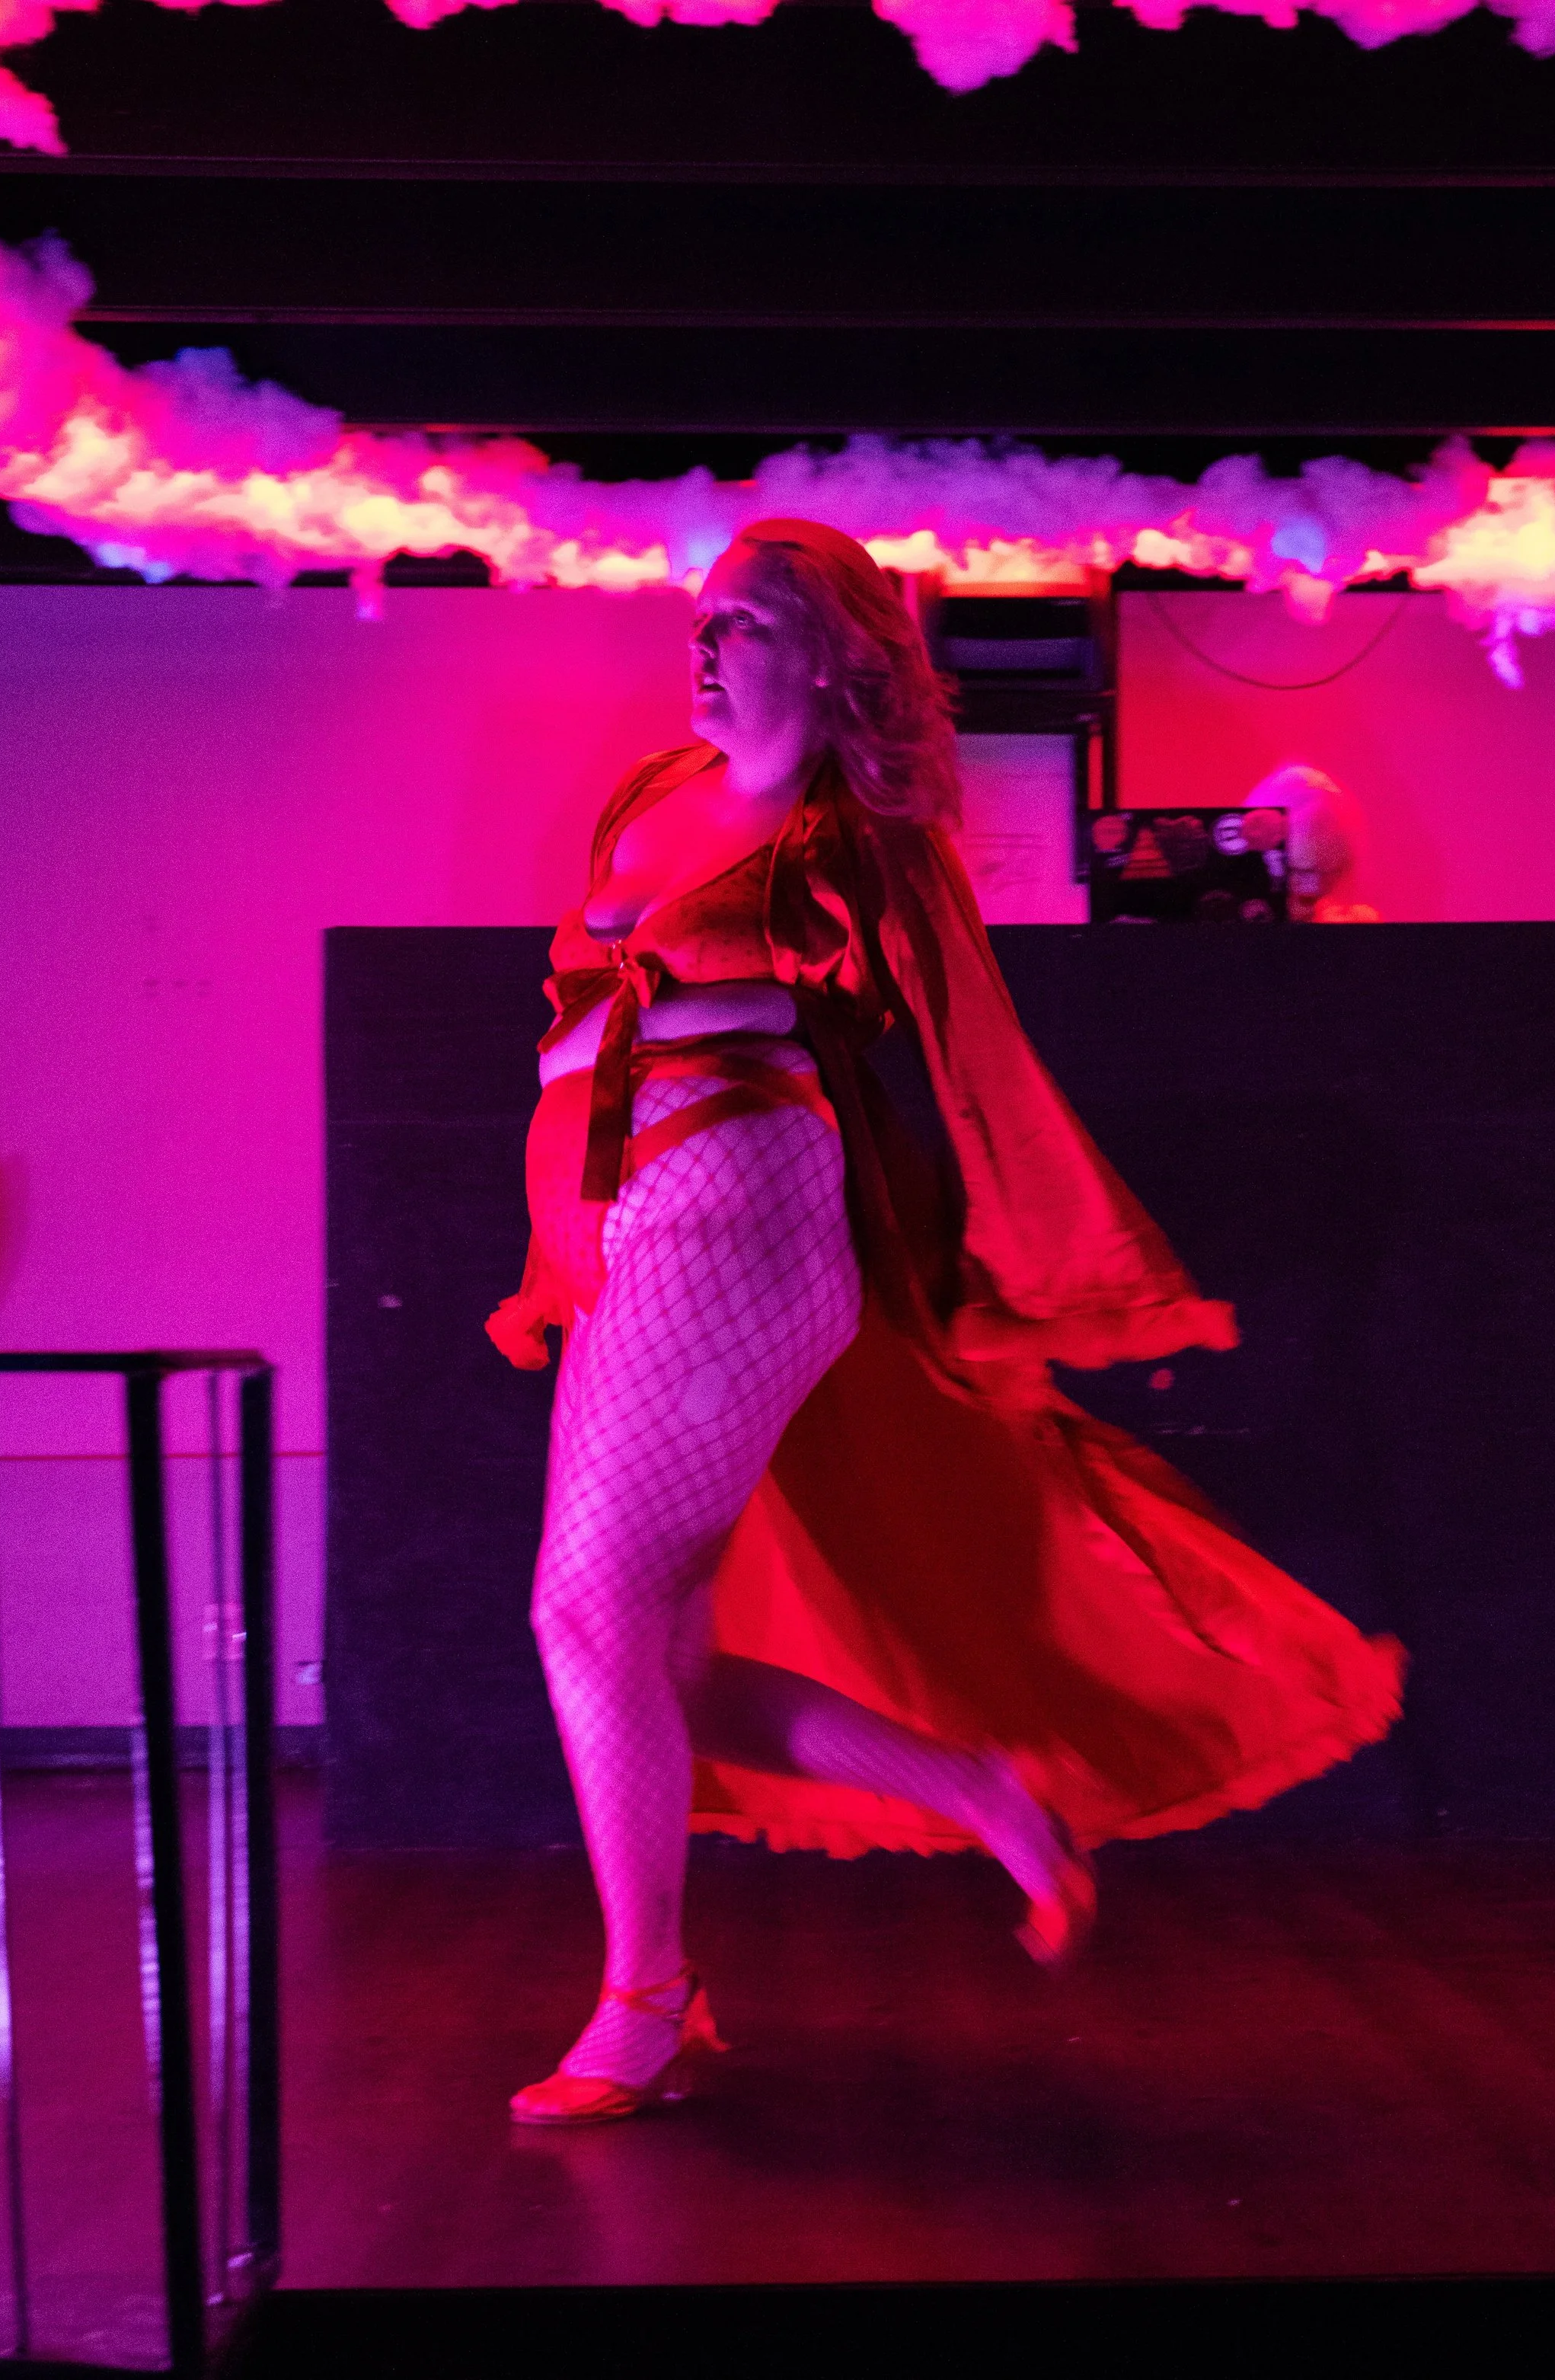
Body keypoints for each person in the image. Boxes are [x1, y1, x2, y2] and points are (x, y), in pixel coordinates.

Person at [487, 519, 1403, 2126]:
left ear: (830, 651)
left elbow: (972, 1051)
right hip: (631, 1228)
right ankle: (979, 1789)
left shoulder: (853, 831)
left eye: (748, 622)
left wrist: (1032, 1259)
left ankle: (641, 1993)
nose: (705, 646)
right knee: (653, 1649)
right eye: (699, 619)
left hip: (744, 1217)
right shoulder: (646, 792)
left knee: (585, 1613)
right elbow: (590, 1020)